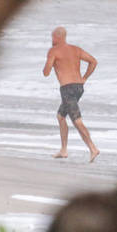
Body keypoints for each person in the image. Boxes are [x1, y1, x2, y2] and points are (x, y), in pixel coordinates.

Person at [43, 26, 100, 162]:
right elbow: (93, 61)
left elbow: (46, 72)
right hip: (78, 87)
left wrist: (50, 63)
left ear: (57, 37)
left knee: (77, 120)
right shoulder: (76, 49)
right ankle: (63, 150)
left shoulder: (53, 51)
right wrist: (84, 77)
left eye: (52, 37)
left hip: (67, 89)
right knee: (61, 116)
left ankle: (93, 148)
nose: (51, 40)